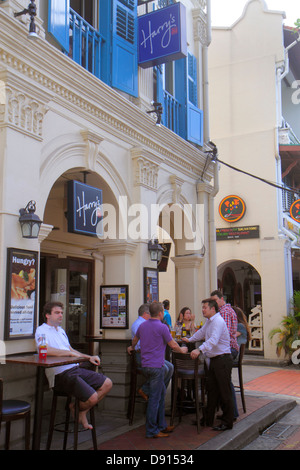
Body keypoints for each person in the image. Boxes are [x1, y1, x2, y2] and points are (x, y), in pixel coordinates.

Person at [35, 301, 112, 430]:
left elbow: (71, 349)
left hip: (74, 369)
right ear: (47, 315)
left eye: (61, 313)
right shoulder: (41, 330)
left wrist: (89, 357)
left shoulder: (61, 331)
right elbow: (44, 351)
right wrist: (68, 354)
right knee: (92, 398)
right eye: (57, 313)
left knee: (107, 383)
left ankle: (79, 409)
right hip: (60, 374)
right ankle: (77, 408)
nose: (60, 315)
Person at [127, 301, 188, 438]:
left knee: (159, 395)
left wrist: (132, 347)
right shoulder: (162, 327)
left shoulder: (142, 326)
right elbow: (172, 345)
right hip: (156, 367)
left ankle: (162, 425)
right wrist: (182, 350)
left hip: (145, 365)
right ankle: (152, 430)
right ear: (160, 313)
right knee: (155, 400)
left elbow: (134, 341)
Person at [182, 298, 234, 431]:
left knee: (224, 392)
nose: (202, 310)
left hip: (222, 360)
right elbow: (201, 333)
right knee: (212, 391)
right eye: (203, 307)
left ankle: (228, 422)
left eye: (205, 307)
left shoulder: (218, 321)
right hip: (214, 360)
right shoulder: (209, 321)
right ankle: (207, 419)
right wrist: (190, 340)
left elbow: (213, 340)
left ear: (213, 309)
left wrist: (199, 349)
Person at [131, 303, 174, 401]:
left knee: (170, 367)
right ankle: (149, 391)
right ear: (146, 314)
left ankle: (158, 392)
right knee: (165, 369)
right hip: (142, 356)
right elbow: (146, 342)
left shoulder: (144, 324)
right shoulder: (141, 324)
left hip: (148, 355)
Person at [210, 290, 239, 419]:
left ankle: (231, 413)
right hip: (227, 348)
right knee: (221, 379)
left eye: (215, 300)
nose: (214, 303)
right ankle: (226, 410)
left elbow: (224, 334)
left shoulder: (224, 312)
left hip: (229, 349)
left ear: (222, 299)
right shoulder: (221, 312)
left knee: (225, 380)